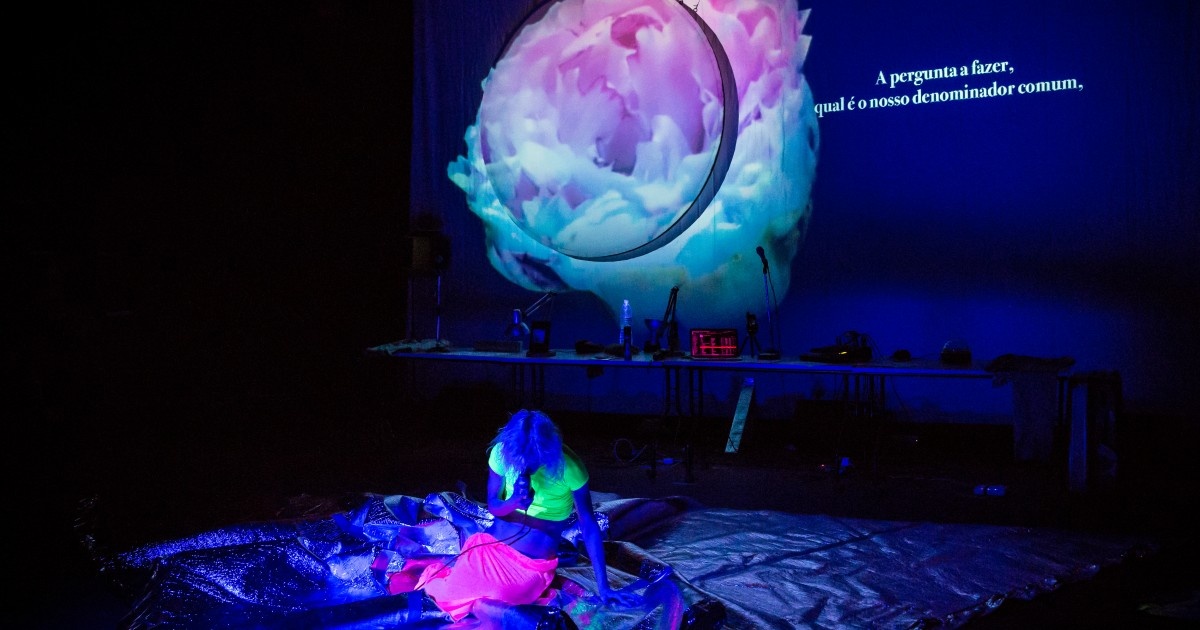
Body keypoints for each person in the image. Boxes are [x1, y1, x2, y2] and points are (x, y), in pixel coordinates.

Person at [409, 409, 636, 624]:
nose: (528, 465)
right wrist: (514, 501)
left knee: (500, 597)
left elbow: (588, 525)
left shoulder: (569, 467)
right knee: (451, 591)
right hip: (489, 547)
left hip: (530, 565)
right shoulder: (502, 453)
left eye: (535, 458)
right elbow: (494, 506)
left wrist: (604, 587)